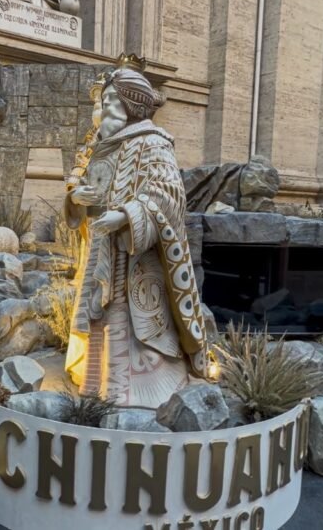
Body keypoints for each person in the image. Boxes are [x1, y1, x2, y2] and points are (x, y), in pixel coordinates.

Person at [63, 56, 207, 409]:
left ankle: (132, 391)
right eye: (105, 99)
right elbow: (80, 183)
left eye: (113, 99)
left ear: (131, 104)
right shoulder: (100, 144)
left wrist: (127, 215)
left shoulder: (154, 142)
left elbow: (168, 194)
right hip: (100, 247)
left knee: (127, 316)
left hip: (135, 255)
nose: (106, 106)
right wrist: (76, 198)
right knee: (96, 313)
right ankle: (95, 383)